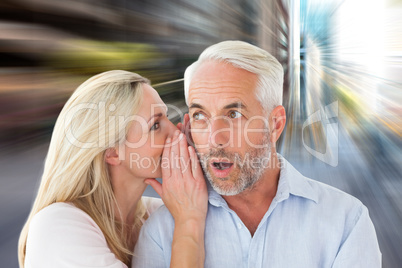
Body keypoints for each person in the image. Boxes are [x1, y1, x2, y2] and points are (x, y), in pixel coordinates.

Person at [133, 41, 382, 267]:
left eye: (234, 115)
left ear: (275, 124)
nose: (214, 138)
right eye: (200, 116)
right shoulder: (161, 234)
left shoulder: (346, 222)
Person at [18, 70, 208, 268]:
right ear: (112, 153)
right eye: (155, 125)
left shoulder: (162, 213)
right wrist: (189, 222)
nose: (177, 132)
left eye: (167, 117)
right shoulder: (56, 226)